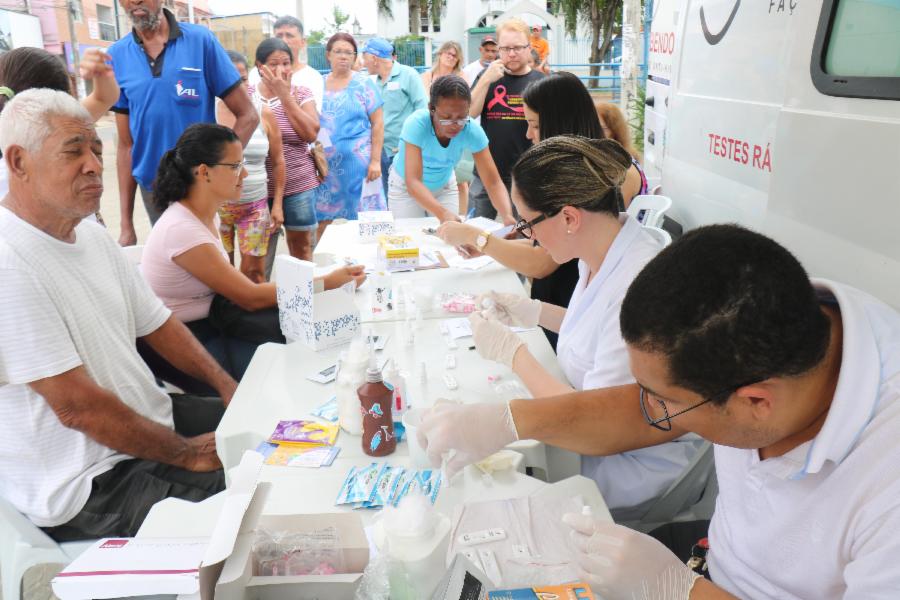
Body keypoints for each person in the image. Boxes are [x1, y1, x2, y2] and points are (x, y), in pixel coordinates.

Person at [419, 222, 900, 597]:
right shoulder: (777, 319)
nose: (645, 409)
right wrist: (511, 420)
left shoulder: (885, 482)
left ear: (757, 402)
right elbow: (643, 404)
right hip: (714, 565)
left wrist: (679, 592)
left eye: (663, 402)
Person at [0, 89, 236, 540]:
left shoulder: (91, 235)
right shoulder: (8, 260)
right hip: (88, 480)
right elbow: (75, 407)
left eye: (96, 149)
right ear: (19, 163)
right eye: (74, 152)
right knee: (249, 497)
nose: (93, 164)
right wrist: (186, 455)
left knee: (271, 430)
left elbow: (158, 324)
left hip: (149, 419)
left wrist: (227, 387)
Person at [466, 136, 700, 519]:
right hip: (598, 428)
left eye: (527, 224)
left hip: (626, 468)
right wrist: (534, 311)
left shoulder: (636, 284)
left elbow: (591, 423)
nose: (528, 236)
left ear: (570, 217)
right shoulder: (601, 248)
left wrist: (514, 354)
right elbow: (594, 330)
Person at [140, 124, 364, 390]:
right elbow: (249, 296)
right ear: (204, 172)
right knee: (282, 372)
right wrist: (327, 282)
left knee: (302, 339)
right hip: (179, 343)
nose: (244, 173)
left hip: (212, 322)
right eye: (235, 166)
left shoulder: (204, 214)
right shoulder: (181, 229)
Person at [437, 72, 644, 349]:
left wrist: (479, 238)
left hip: (568, 308)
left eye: (534, 124)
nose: (528, 134)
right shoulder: (586, 179)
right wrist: (494, 242)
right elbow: (542, 242)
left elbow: (541, 261)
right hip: (566, 312)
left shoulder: (583, 179)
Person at [110, 0, 258, 245]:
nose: (134, 1)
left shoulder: (201, 42)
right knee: (173, 271)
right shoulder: (117, 55)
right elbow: (126, 146)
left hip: (198, 187)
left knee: (207, 270)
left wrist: (220, 169)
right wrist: (126, 224)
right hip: (153, 189)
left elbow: (248, 116)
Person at [388, 75, 513, 223]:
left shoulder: (471, 129)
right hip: (406, 187)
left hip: (443, 185)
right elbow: (413, 182)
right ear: (431, 108)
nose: (455, 124)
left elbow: (493, 182)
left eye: (462, 117)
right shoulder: (417, 124)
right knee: (411, 237)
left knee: (450, 238)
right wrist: (442, 213)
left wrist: (507, 216)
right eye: (446, 117)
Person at [0, 45, 119, 200]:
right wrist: (102, 71)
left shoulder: (53, 122)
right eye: (73, 151)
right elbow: (104, 98)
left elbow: (103, 98)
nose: (96, 166)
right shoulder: (59, 123)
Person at [248, 38, 320, 262]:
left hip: (298, 184)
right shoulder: (247, 96)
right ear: (260, 66)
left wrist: (284, 95)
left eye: (286, 63)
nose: (281, 70)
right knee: (258, 254)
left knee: (301, 249)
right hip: (257, 187)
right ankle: (262, 296)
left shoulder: (301, 93)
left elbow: (310, 133)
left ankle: (303, 295)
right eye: (273, 64)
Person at [216, 50, 285, 282]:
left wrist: (277, 206)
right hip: (216, 210)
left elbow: (278, 162)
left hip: (255, 207)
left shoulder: (264, 112)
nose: (239, 86)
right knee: (222, 274)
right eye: (230, 80)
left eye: (243, 79)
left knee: (254, 274)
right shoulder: (208, 112)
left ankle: (253, 317)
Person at [468, 18, 544, 219]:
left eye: (518, 47)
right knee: (477, 233)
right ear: (499, 50)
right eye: (506, 48)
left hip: (527, 175)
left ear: (529, 48)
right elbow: (468, 114)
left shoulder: (541, 82)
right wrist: (485, 80)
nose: (512, 53)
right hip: (487, 171)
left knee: (524, 237)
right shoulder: (488, 76)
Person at [314, 33, 385, 235]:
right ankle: (328, 265)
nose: (343, 56)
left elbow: (378, 123)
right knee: (323, 220)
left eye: (348, 52)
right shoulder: (317, 84)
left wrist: (375, 161)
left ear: (355, 57)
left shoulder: (364, 85)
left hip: (359, 167)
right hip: (325, 169)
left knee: (364, 222)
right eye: (338, 51)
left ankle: (365, 264)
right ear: (328, 55)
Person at [362, 37, 428, 197]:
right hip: (383, 153)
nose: (363, 64)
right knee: (391, 200)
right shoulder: (373, 83)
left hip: (406, 153)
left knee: (413, 199)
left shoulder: (408, 75)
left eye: (365, 59)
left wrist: (409, 143)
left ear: (374, 58)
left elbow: (423, 112)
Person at [248, 15, 324, 114]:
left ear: (303, 42)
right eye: (279, 36)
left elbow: (313, 121)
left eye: (289, 35)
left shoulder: (313, 77)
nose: (283, 40)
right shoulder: (256, 72)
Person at [596, 101, 648, 203]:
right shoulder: (605, 161)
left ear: (614, 132)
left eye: (600, 128)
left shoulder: (625, 171)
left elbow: (615, 214)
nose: (591, 132)